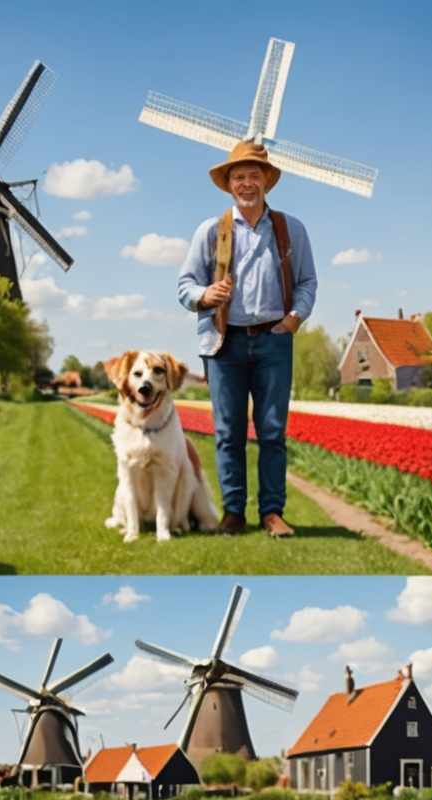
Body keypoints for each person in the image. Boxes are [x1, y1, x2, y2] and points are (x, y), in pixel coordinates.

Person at [178, 140, 316, 537]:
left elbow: (307, 281)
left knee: (272, 430)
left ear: (267, 180)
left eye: (254, 175)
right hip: (225, 342)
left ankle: (272, 512)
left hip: (274, 339)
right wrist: (205, 295)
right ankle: (233, 511)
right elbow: (185, 284)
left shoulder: (290, 230)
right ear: (230, 184)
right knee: (228, 431)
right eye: (239, 176)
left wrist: (293, 320)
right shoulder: (210, 231)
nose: (247, 183)